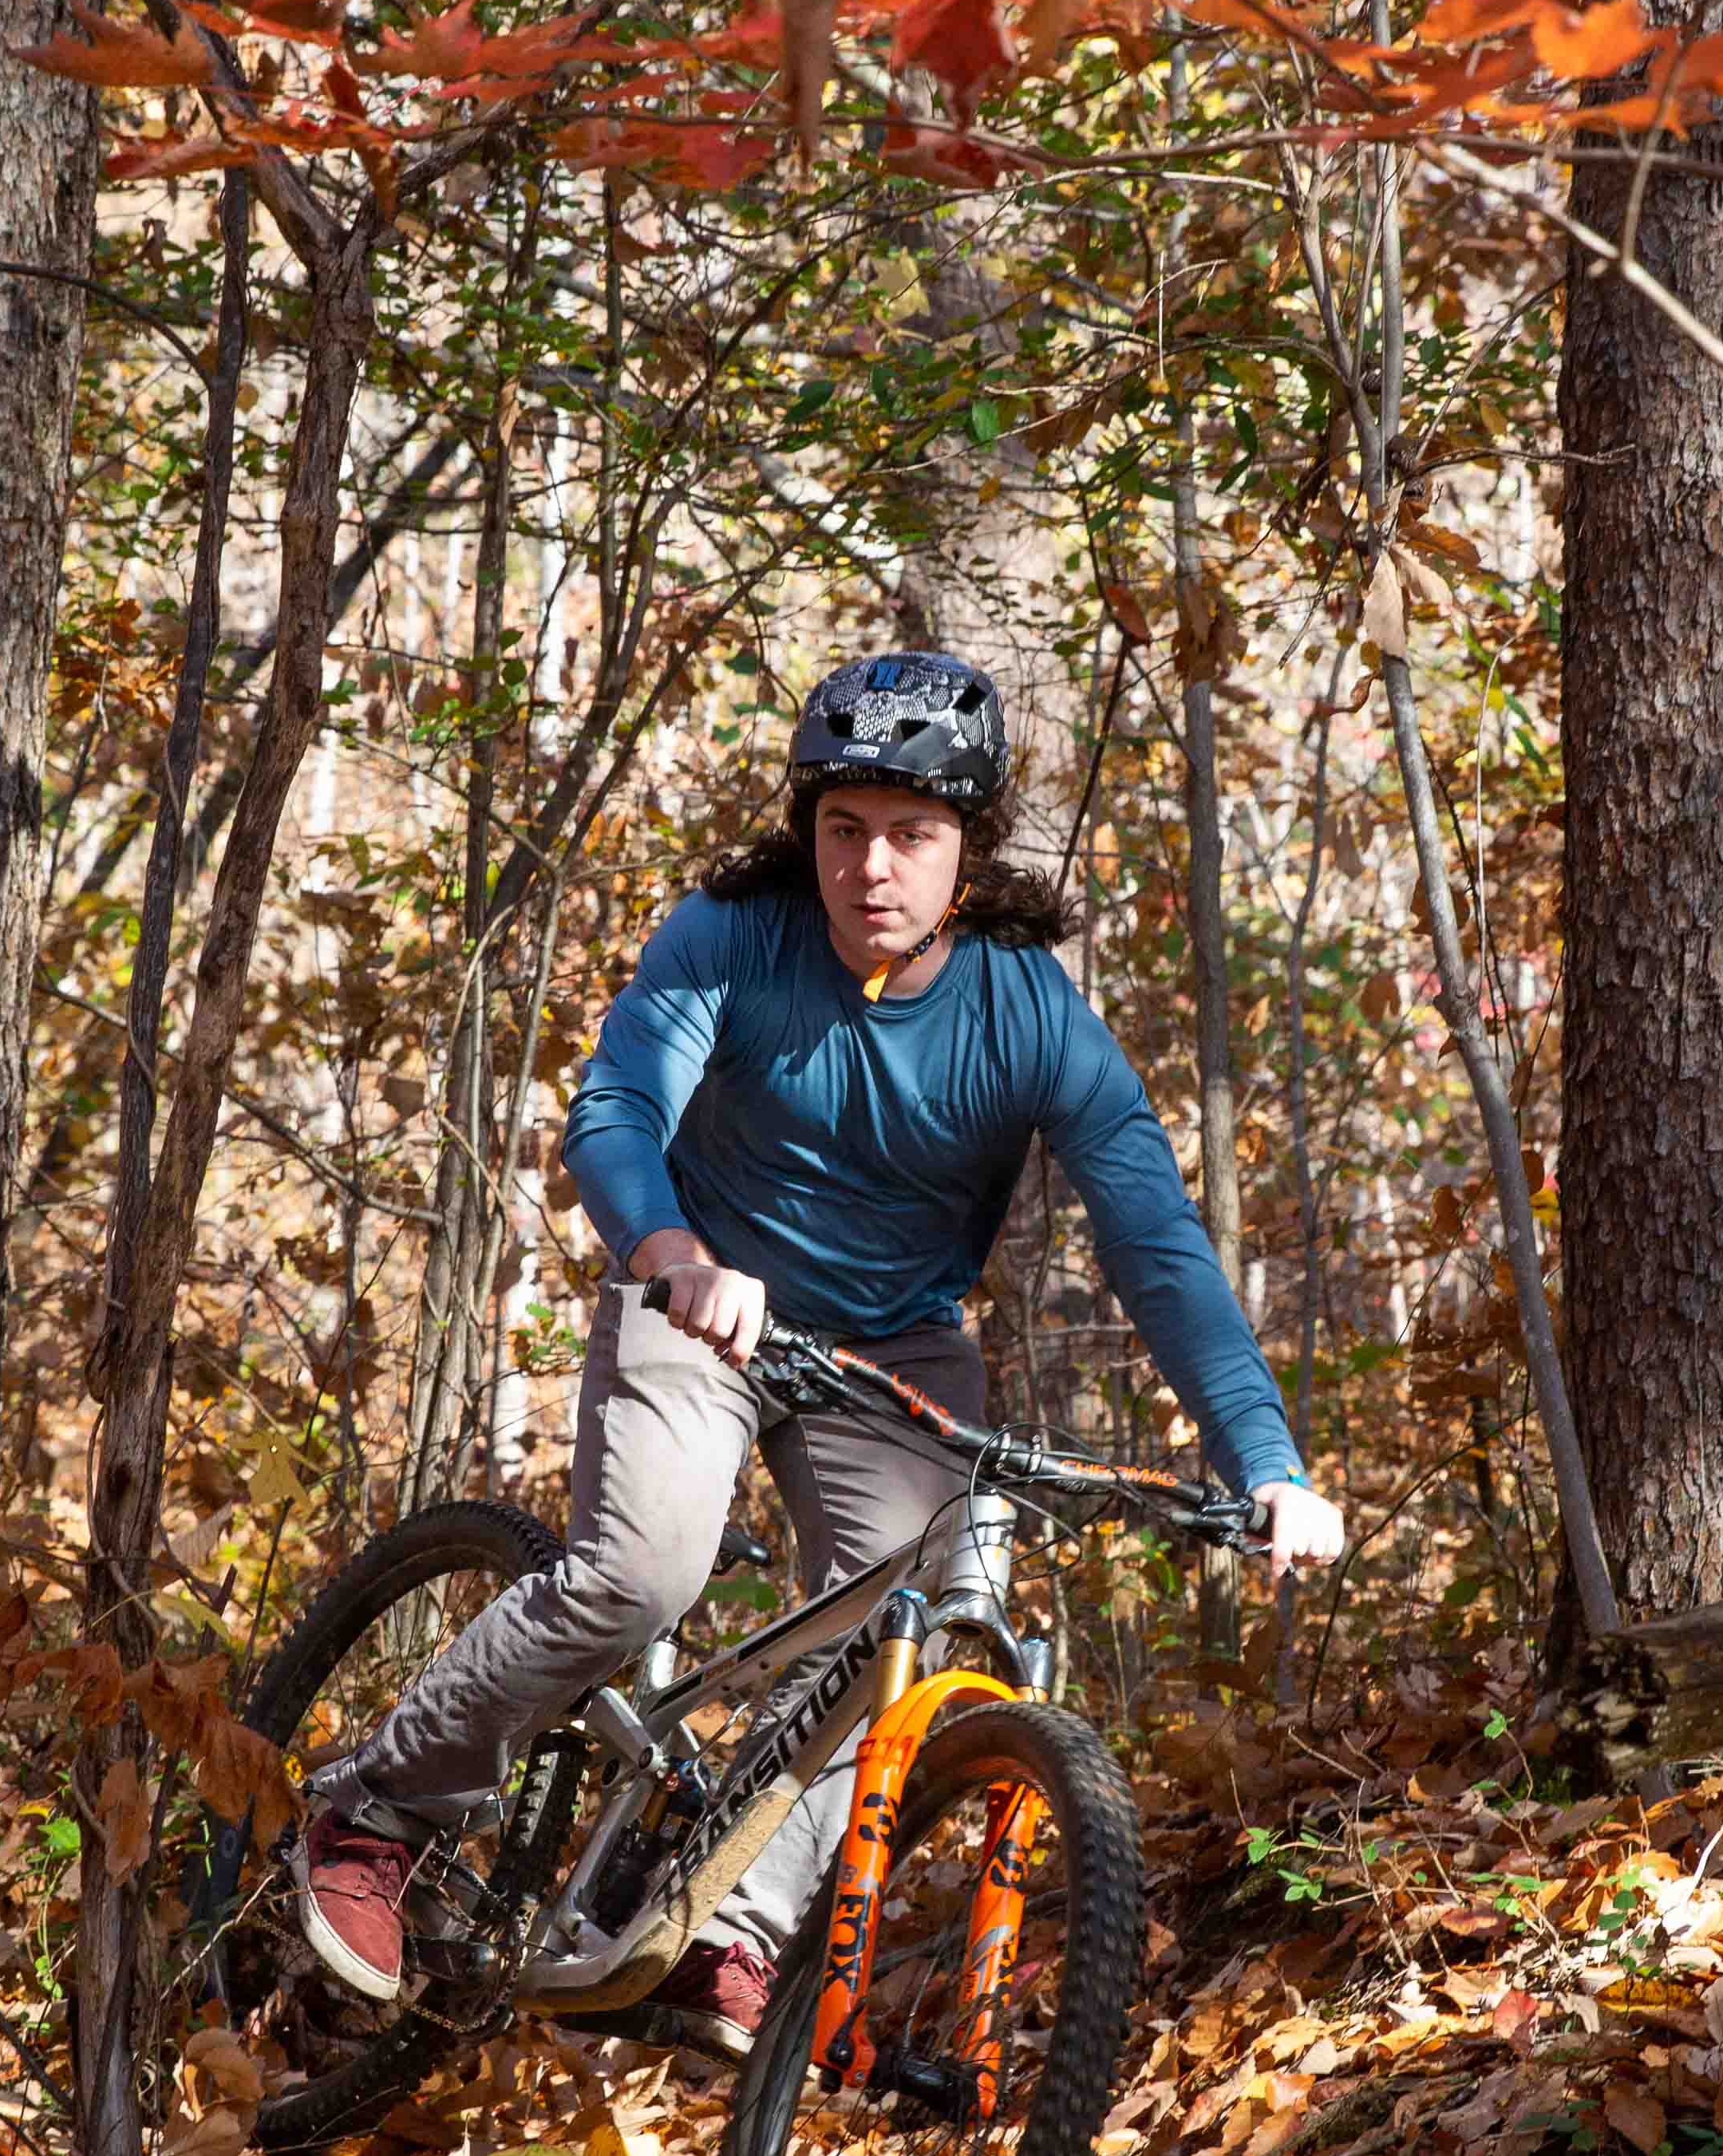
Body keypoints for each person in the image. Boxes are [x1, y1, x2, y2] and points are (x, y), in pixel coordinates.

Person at [290, 648, 1347, 2051]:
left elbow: (1156, 1247)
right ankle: (377, 1807)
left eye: (911, 835)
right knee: (642, 1567)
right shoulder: (731, 934)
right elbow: (614, 1112)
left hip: (895, 1352)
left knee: (927, 1623)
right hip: (703, 1309)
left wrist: (1264, 1463)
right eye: (843, 828)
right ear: (809, 831)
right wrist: (674, 1256)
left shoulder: (1032, 1018)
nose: (871, 867)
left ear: (967, 856)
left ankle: (722, 1928)